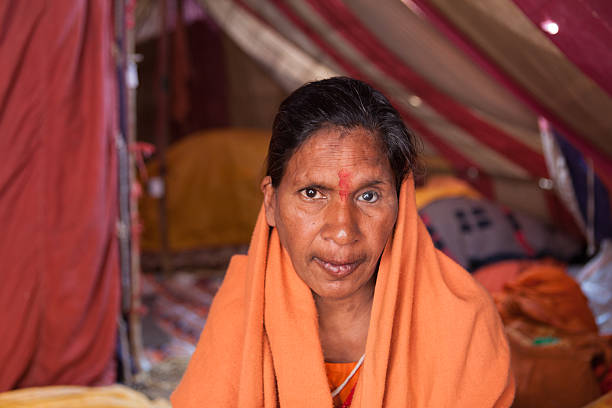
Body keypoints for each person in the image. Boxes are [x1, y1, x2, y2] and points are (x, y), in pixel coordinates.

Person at [171, 77, 515, 407]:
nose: (342, 231)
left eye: (368, 196)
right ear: (272, 203)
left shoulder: (460, 321)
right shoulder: (242, 313)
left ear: (401, 204)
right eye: (312, 193)